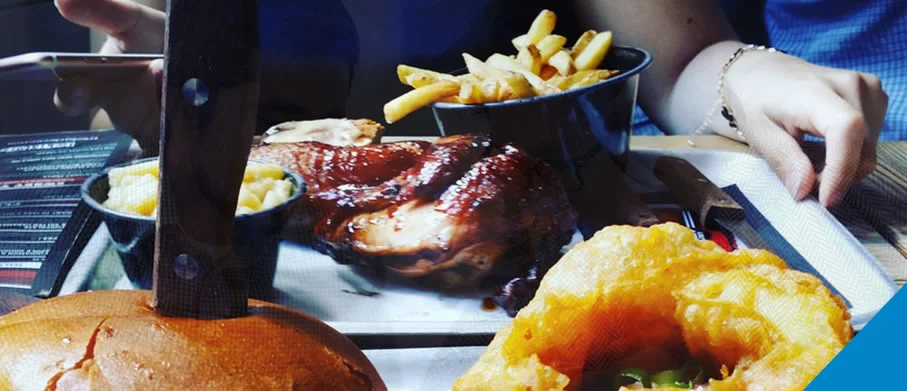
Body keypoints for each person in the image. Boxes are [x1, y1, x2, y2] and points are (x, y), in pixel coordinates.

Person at [51, 0, 889, 208]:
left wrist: (744, 73)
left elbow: (680, 64)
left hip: (556, 223)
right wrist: (152, 84)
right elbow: (118, 111)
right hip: (283, 277)